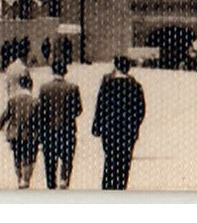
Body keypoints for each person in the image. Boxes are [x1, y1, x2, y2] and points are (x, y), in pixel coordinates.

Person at [91, 55, 147, 189]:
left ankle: (107, 188)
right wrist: (134, 126)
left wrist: (97, 126)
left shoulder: (107, 85)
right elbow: (141, 110)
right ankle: (120, 190)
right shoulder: (135, 86)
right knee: (124, 164)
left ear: (116, 67)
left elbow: (100, 107)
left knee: (110, 160)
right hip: (127, 132)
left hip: (109, 131)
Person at [36, 59, 83, 190]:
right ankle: (64, 179)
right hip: (67, 129)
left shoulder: (44, 88)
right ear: (65, 72)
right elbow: (78, 110)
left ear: (52, 71)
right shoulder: (73, 88)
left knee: (50, 160)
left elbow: (41, 111)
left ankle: (51, 183)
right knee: (67, 157)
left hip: (49, 130)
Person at [0, 72, 41, 188]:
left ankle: (19, 178)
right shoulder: (36, 101)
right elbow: (40, 121)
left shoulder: (13, 100)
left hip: (15, 134)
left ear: (20, 86)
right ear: (31, 86)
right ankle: (26, 180)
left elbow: (4, 117)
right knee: (29, 158)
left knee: (17, 157)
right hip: (30, 134)